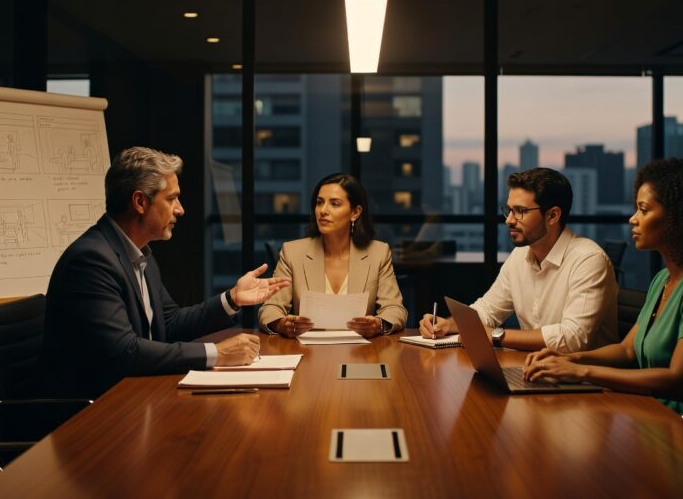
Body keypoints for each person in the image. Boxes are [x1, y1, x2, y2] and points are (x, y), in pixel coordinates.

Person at [522, 159, 683, 439]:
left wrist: (582, 372)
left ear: (679, 218)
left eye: (643, 209)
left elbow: (680, 381)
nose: (633, 218)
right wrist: (568, 358)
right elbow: (627, 351)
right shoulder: (663, 280)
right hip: (656, 418)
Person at [37, 147, 290, 398]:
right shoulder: (91, 260)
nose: (180, 210)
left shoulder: (139, 253)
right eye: (171, 199)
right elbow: (123, 352)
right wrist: (216, 354)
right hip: (89, 414)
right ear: (139, 202)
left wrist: (232, 299)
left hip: (135, 395)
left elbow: (169, 324)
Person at [419, 168, 617, 352]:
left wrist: (498, 336)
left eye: (520, 211)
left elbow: (573, 338)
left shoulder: (589, 260)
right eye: (509, 210)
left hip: (587, 383)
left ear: (553, 215)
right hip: (535, 370)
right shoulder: (520, 256)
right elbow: (488, 310)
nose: (509, 220)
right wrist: (447, 324)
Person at [259, 173, 407, 339]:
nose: (323, 211)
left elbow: (395, 309)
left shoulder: (378, 253)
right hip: (308, 354)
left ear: (355, 212)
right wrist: (281, 324)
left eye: (334, 204)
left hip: (360, 354)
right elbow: (270, 308)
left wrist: (378, 325)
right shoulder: (293, 252)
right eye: (319, 202)